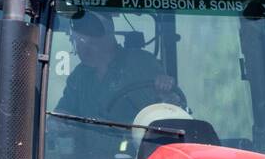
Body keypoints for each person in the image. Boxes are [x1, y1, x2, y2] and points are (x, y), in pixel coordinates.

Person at [56, 9, 186, 121]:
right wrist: (58, 121)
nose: (77, 49)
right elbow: (64, 111)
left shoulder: (141, 63)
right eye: (75, 42)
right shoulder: (79, 75)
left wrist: (166, 91)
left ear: (103, 38)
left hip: (138, 147)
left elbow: (170, 103)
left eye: (79, 42)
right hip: (86, 150)